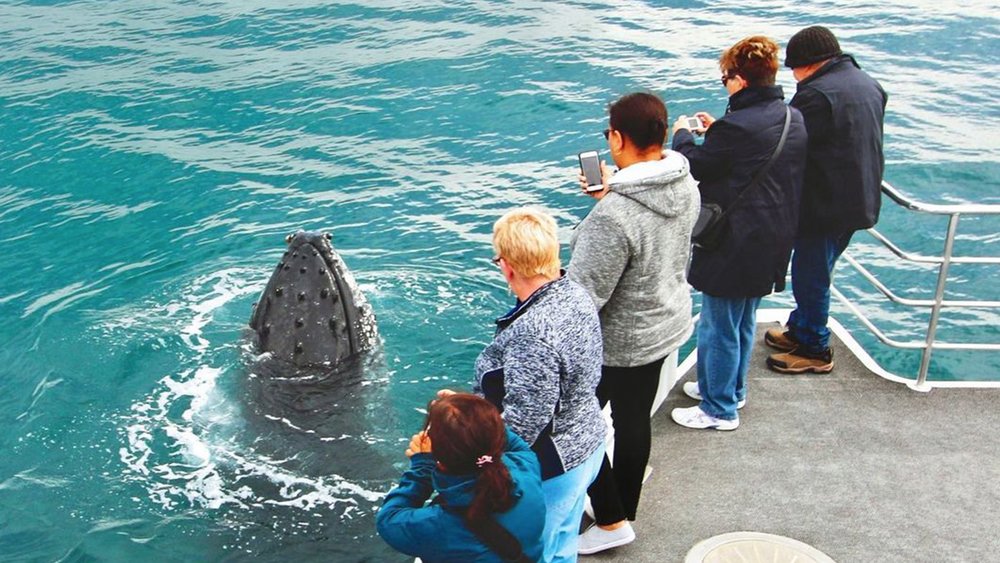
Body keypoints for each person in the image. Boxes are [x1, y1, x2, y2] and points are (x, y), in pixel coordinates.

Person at [568, 91, 700, 554]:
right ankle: (619, 510)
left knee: (568, 423)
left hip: (616, 340)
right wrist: (613, 191)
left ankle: (609, 518)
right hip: (662, 323)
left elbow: (584, 294)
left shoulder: (615, 214)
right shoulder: (684, 184)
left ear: (618, 138)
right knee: (632, 421)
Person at [669, 36, 808, 431]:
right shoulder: (790, 116)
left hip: (735, 240)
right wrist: (719, 131)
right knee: (744, 320)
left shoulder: (739, 127)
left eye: (725, 78)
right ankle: (731, 388)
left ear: (741, 81)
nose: (724, 84)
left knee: (719, 324)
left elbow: (696, 164)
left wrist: (683, 135)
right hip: (774, 236)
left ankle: (718, 409)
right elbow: (747, 154)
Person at [474, 207, 606, 562]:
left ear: (507, 266)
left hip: (554, 467)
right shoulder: (575, 294)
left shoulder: (533, 334)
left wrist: (479, 461)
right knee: (563, 543)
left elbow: (525, 422)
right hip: (587, 441)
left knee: (535, 552)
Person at [765, 25, 888, 373]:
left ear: (808, 63)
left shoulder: (816, 95)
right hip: (859, 198)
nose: (794, 76)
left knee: (810, 275)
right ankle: (801, 328)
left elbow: (788, 141)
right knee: (818, 269)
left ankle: (815, 349)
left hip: (825, 205)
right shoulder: (868, 84)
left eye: (794, 68)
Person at [376, 393, 545, 562]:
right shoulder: (526, 470)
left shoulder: (438, 526)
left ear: (439, 458)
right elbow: (516, 444)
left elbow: (388, 519)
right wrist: (477, 418)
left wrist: (422, 468)